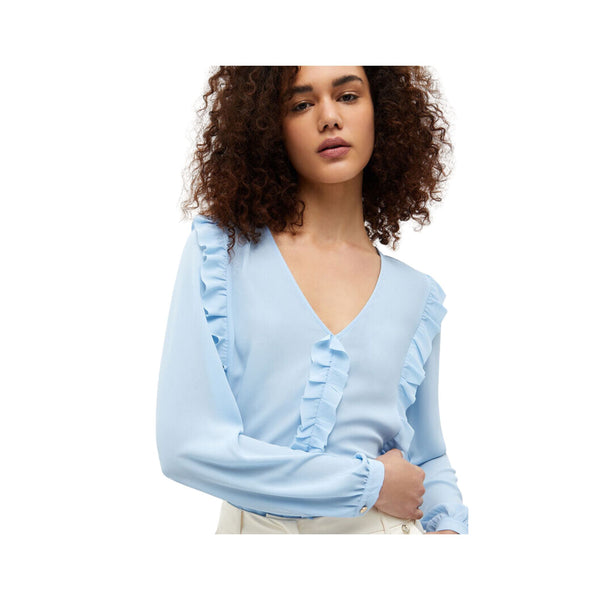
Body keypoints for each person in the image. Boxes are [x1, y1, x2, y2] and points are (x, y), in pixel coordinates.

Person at [156, 66, 469, 534]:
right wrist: (368, 484)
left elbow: (428, 458)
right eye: (301, 104)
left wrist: (449, 532)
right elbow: (187, 447)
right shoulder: (222, 255)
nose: (329, 117)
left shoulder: (415, 295)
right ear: (270, 126)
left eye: (348, 96)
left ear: (382, 112)